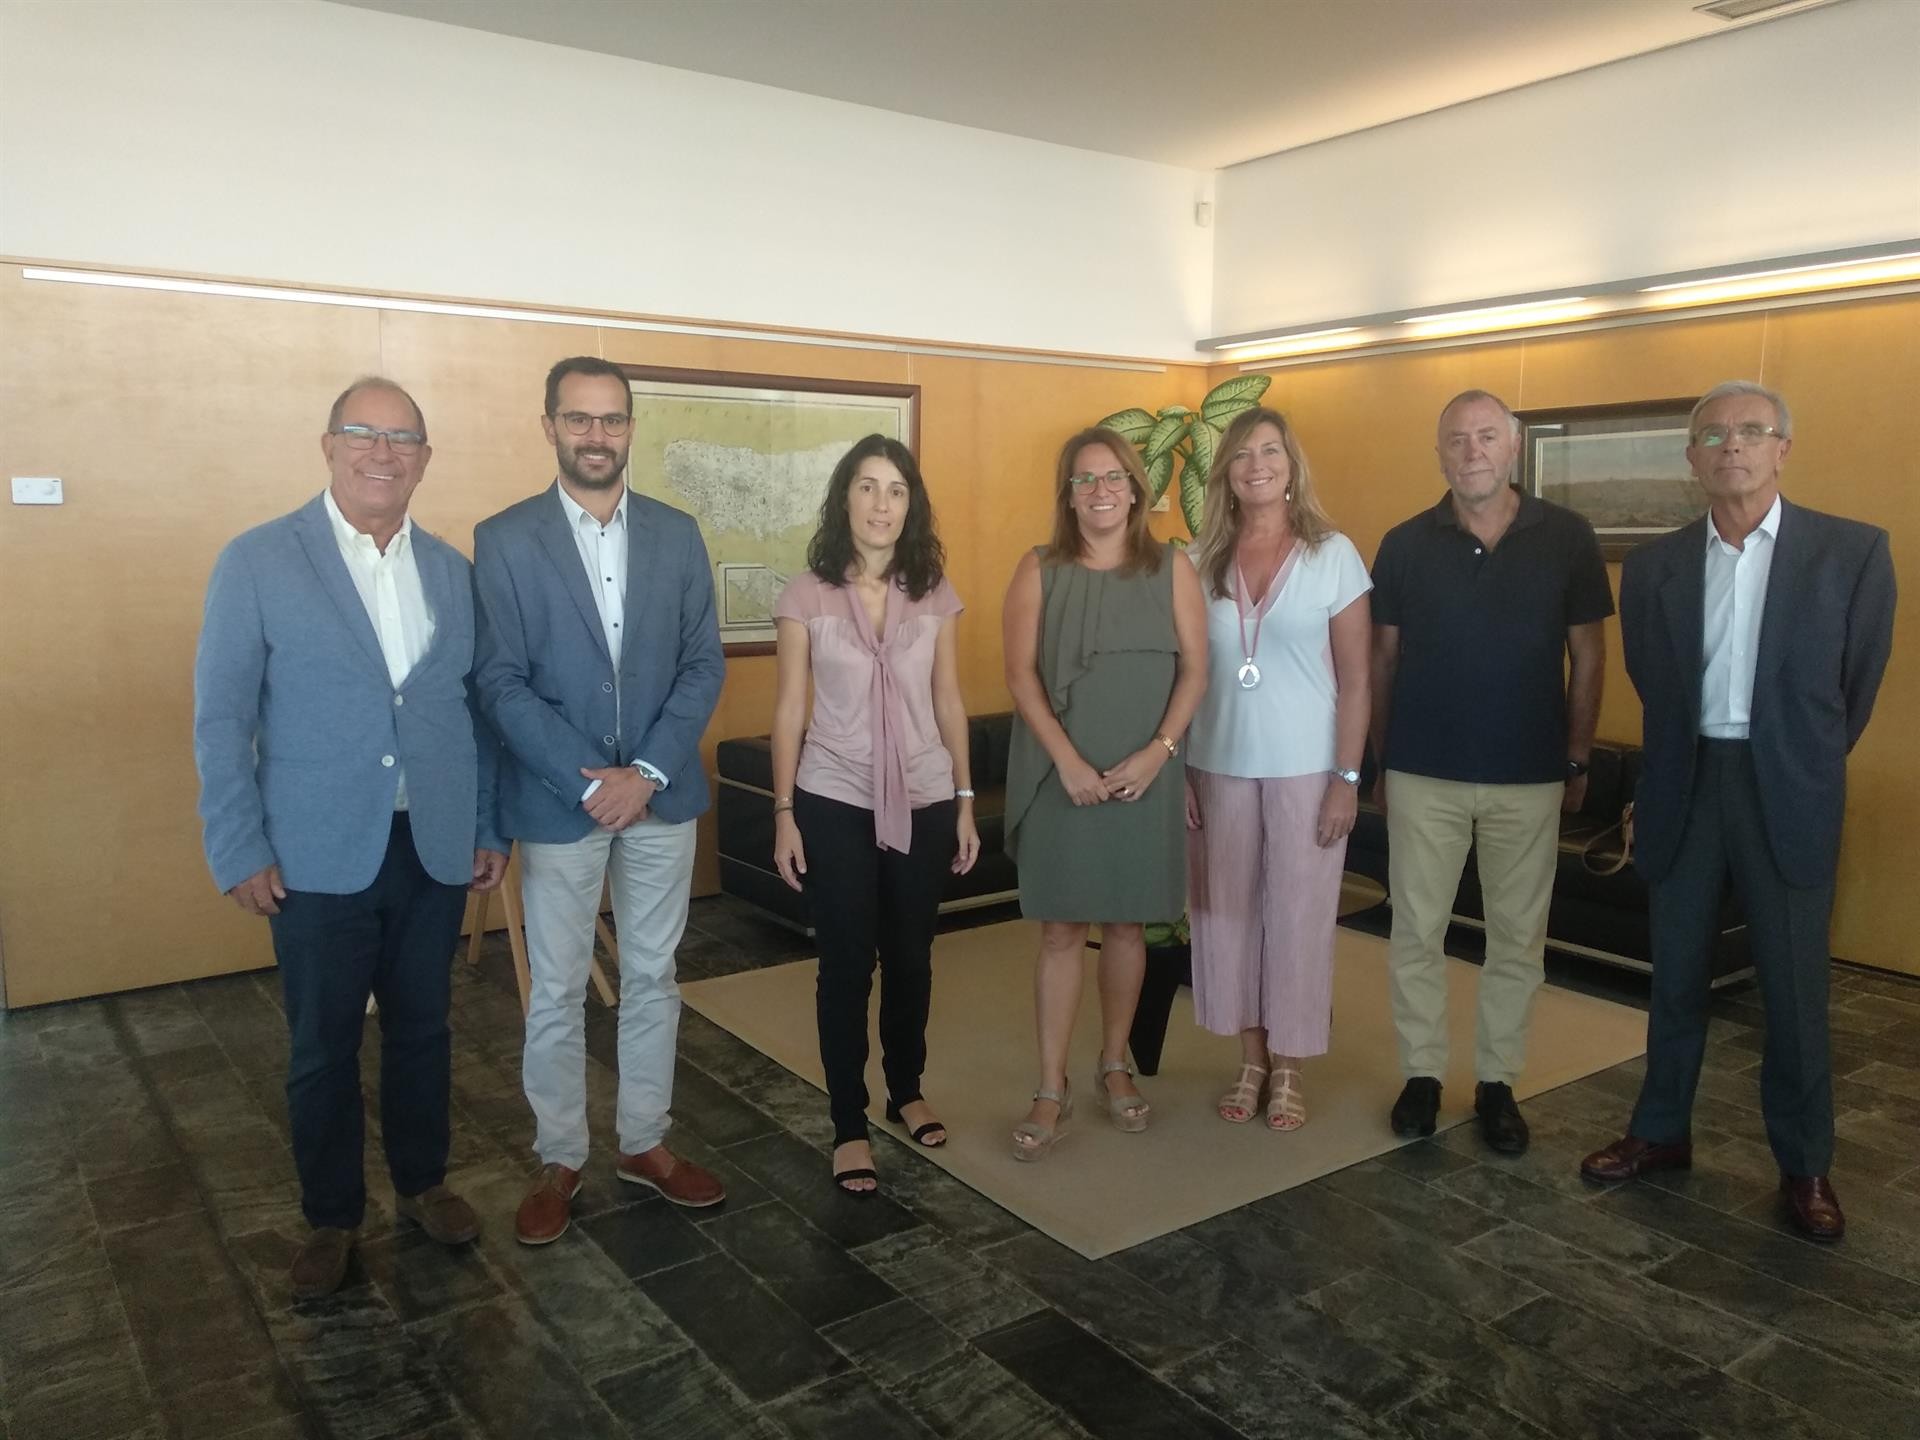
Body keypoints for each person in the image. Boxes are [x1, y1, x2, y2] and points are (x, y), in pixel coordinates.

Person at [194, 376, 508, 1300]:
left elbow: (472, 713)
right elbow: (222, 717)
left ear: (424, 459)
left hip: (430, 846)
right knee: (323, 1045)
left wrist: (484, 821)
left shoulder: (450, 570)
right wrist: (237, 843)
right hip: (314, 852)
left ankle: (422, 1183)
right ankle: (332, 1217)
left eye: (402, 438)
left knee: (424, 1030)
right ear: (328, 445)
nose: (383, 451)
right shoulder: (258, 559)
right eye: (363, 432)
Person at [1580, 381, 1895, 1241]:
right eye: (1713, 435)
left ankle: (1805, 1165)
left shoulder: (1851, 553)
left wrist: (1799, 757)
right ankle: (1660, 1131)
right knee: (1675, 977)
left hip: (1787, 787)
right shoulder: (1656, 566)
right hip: (1687, 781)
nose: (1733, 446)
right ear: (1693, 458)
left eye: (1752, 431)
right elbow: (1654, 681)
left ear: (1782, 449)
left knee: (1793, 992)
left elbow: (1854, 686)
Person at [472, 356, 726, 1245]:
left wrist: (645, 772)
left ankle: (644, 1142)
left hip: (661, 796)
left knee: (653, 976)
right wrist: (589, 781)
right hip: (560, 803)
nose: (596, 435)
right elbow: (499, 682)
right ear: (549, 425)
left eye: (612, 419)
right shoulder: (505, 539)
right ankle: (561, 1156)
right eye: (578, 418)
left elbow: (702, 666)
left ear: (630, 429)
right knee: (555, 987)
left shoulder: (677, 535)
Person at [1370, 389, 1612, 1153]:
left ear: (1512, 447)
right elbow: (1382, 660)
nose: (1470, 451)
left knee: (1516, 938)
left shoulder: (1567, 536)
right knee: (1416, 931)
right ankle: (1422, 1074)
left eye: (1485, 437)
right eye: (1456, 439)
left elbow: (1589, 654)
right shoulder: (1404, 543)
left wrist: (1577, 756)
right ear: (1439, 454)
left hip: (1529, 773)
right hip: (1423, 771)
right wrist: (1380, 761)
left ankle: (1498, 1082)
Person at [769, 435, 980, 1195]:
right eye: (867, 487)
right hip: (833, 796)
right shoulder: (806, 595)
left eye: (895, 490)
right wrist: (784, 811)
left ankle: (906, 1088)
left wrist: (964, 799)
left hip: (925, 794)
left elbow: (948, 699)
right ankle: (849, 1123)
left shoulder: (934, 592)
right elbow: (789, 709)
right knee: (847, 964)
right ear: (844, 499)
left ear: (910, 505)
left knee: (912, 957)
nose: (881, 504)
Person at [1001, 426, 1208, 1161]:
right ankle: (1050, 1085)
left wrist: (1159, 754)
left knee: (1126, 927)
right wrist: (1067, 762)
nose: (1101, 491)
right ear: (1068, 494)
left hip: (1145, 774)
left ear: (1136, 488)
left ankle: (1114, 1063)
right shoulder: (1039, 568)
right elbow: (1020, 675)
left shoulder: (1174, 568)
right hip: (1061, 775)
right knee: (1061, 931)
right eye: (1085, 479)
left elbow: (1196, 670)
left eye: (1114, 476)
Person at [1184, 408, 1371, 1131]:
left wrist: (1347, 778)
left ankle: (1290, 1067)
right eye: (1241, 455)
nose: (1256, 465)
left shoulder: (1333, 554)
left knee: (1298, 918)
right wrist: (1180, 771)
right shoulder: (1199, 561)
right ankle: (1251, 1059)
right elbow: (1184, 675)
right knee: (1227, 917)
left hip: (1308, 770)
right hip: (1216, 764)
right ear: (1225, 474)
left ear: (1291, 466)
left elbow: (1357, 679)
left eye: (1269, 451)